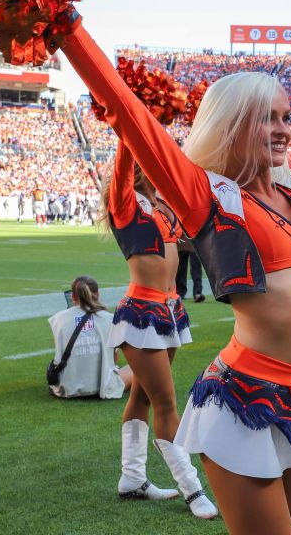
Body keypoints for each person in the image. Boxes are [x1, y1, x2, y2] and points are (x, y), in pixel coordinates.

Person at [60, 24, 291, 533]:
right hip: (245, 396)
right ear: (232, 124)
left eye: (285, 117)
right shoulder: (205, 194)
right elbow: (128, 113)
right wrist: (68, 28)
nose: (282, 129)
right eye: (264, 119)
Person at [99, 142, 215, 519]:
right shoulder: (125, 202)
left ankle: (132, 478)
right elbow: (124, 162)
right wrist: (129, 130)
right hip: (141, 313)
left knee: (145, 398)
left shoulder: (160, 205)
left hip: (169, 310)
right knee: (166, 404)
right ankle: (193, 489)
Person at [47, 276, 127, 400]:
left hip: (66, 387)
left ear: (73, 297)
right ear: (98, 294)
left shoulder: (58, 319)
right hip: (102, 386)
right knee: (137, 368)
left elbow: (59, 350)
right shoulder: (110, 318)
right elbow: (113, 358)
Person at [176, 234, 205, 304]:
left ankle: (197, 293)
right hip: (182, 239)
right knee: (181, 268)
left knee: (195, 268)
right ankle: (181, 293)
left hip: (193, 238)